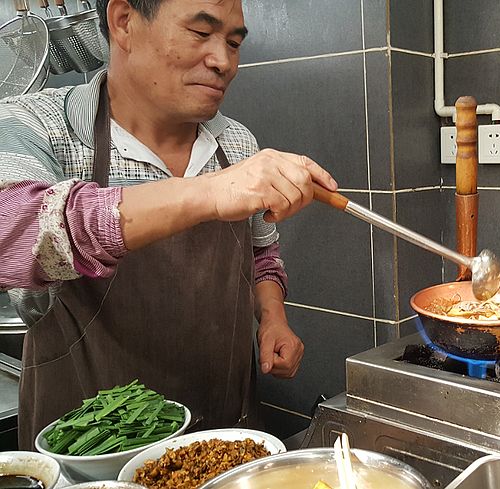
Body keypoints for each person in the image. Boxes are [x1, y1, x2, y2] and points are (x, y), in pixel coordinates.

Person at [0, 0, 337, 449]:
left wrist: (272, 318)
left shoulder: (235, 142)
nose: (223, 62)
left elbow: (261, 255)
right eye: (201, 33)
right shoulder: (39, 124)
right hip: (88, 453)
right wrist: (209, 192)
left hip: (223, 438)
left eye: (233, 42)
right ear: (124, 22)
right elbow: (13, 232)